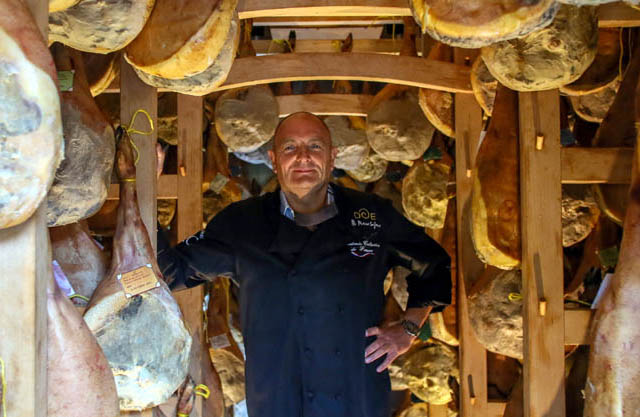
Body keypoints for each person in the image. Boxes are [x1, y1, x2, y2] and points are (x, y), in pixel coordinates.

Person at [157, 112, 452, 417]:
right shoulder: (242, 224)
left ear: (332, 156)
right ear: (273, 159)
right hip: (278, 399)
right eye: (289, 148)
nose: (303, 157)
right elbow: (171, 272)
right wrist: (145, 193)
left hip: (356, 399)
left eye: (314, 146)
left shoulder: (370, 215)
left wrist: (408, 329)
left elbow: (433, 263)